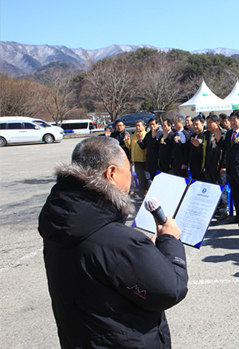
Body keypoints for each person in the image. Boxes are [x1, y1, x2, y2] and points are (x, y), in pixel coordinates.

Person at [38, 137, 188, 348]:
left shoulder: (61, 219)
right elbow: (170, 290)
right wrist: (169, 240)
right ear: (111, 173)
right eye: (129, 169)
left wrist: (147, 256)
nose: (132, 176)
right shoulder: (116, 240)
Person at [204, 114, 228, 220]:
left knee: (220, 188)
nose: (208, 125)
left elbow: (226, 152)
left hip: (219, 166)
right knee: (211, 188)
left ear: (216, 123)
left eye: (210, 123)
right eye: (207, 123)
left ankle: (223, 211)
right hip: (209, 165)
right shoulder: (207, 135)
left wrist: (224, 165)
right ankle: (215, 209)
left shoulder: (223, 134)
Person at [124, 120, 148, 197]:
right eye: (136, 125)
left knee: (145, 177)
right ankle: (141, 191)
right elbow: (129, 146)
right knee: (139, 176)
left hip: (143, 159)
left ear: (143, 126)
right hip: (136, 159)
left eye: (139, 125)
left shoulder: (145, 135)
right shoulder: (134, 135)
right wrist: (127, 140)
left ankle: (145, 191)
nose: (137, 127)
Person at [188, 116, 207, 182]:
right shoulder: (192, 136)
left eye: (197, 124)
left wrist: (199, 146)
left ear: (202, 124)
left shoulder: (205, 136)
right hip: (193, 165)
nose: (195, 126)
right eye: (193, 124)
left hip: (202, 166)